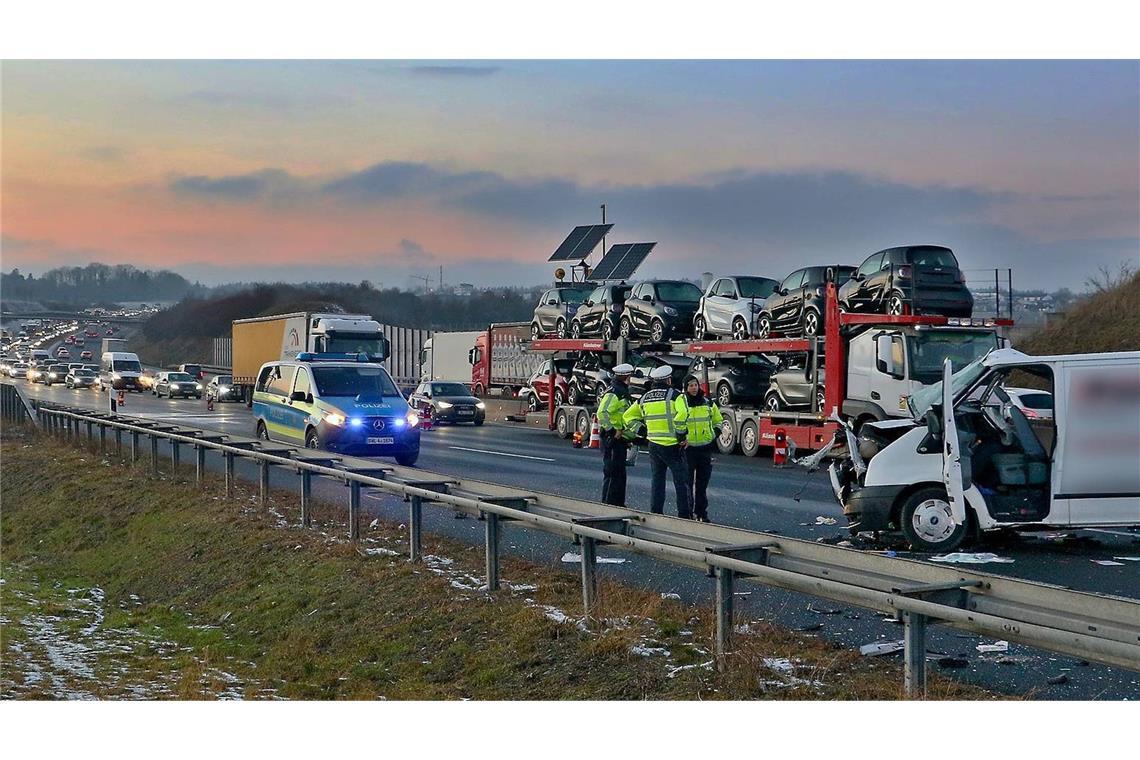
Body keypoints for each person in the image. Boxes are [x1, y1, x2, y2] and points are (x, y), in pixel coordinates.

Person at [623, 364, 692, 519]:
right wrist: (681, 437)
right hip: (672, 445)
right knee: (681, 482)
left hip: (653, 444)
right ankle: (685, 516)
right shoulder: (676, 396)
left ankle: (656, 513)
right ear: (668, 380)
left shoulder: (645, 397)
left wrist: (642, 431)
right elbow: (682, 416)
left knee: (657, 480)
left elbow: (627, 416)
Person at [682, 374, 724, 522]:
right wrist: (681, 438)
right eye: (690, 385)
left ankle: (701, 513)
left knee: (702, 485)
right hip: (688, 449)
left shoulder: (707, 402)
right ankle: (688, 513)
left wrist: (713, 435)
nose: (694, 388)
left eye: (695, 385)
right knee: (687, 483)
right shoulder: (682, 403)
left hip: (705, 449)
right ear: (685, 388)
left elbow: (719, 421)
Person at [596, 363, 634, 506]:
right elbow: (602, 413)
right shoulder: (615, 392)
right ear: (626, 377)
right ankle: (608, 506)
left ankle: (617, 504)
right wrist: (612, 431)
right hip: (612, 439)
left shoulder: (620, 391)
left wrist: (628, 437)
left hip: (619, 439)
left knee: (619, 473)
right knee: (612, 473)